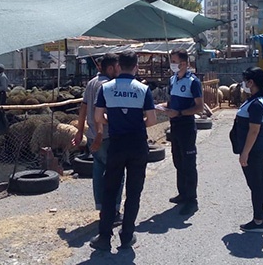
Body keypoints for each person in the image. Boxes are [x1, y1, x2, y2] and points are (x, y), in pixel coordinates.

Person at [90, 50, 156, 251]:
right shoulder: (143, 90)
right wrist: (135, 124)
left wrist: (114, 121)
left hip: (116, 144)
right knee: (134, 192)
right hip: (137, 145)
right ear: (136, 66)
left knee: (110, 190)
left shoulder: (106, 88)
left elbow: (98, 117)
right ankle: (127, 236)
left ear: (119, 66)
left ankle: (104, 236)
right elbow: (152, 120)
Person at [72, 54, 124, 225]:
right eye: (117, 66)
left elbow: (83, 108)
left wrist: (79, 132)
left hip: (92, 135)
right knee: (116, 173)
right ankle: (113, 210)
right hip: (105, 137)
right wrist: (101, 135)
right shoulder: (108, 86)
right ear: (110, 68)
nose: (120, 69)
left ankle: (102, 207)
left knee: (98, 173)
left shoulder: (92, 83)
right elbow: (98, 114)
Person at [234, 66, 263, 233]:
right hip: (258, 147)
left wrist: (245, 152)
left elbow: (254, 130)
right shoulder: (257, 100)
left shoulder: (257, 104)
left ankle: (258, 220)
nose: (243, 84)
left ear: (251, 82)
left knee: (255, 184)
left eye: (245, 81)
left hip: (254, 148)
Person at [163, 48, 203, 215]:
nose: (172, 64)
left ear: (184, 63)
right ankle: (183, 193)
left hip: (186, 125)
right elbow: (171, 102)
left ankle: (192, 199)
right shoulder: (172, 80)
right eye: (171, 61)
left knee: (188, 163)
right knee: (178, 161)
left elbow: (199, 107)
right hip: (175, 126)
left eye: (174, 61)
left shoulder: (193, 81)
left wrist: (180, 112)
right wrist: (164, 108)